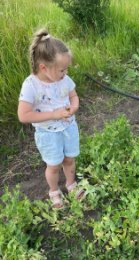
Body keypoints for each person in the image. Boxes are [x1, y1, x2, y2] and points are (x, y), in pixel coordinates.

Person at [18, 28, 85, 208]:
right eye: (61, 70)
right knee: (54, 165)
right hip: (48, 134)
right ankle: (54, 191)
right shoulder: (31, 85)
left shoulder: (64, 79)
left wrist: (74, 106)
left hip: (69, 128)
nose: (65, 73)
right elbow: (23, 115)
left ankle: (71, 184)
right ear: (43, 67)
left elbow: (73, 96)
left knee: (70, 159)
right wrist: (54, 114)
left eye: (66, 69)